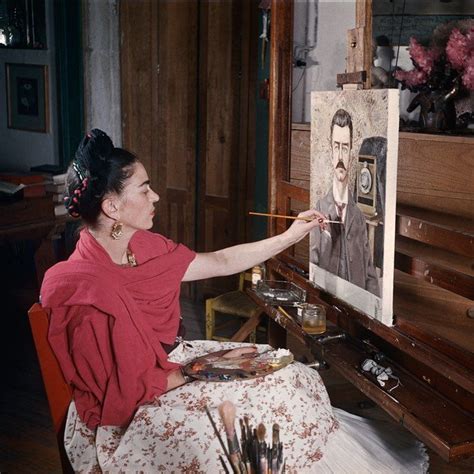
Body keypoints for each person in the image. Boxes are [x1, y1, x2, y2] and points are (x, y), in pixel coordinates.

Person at [41, 129, 427, 472]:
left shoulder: (140, 244)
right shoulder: (81, 287)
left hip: (173, 365)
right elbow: (119, 394)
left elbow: (219, 261)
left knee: (290, 375)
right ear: (112, 208)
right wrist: (203, 370)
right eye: (144, 189)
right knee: (247, 422)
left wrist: (291, 236)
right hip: (138, 406)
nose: (155, 195)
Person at [310, 109, 380, 297]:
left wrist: (375, 311)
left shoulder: (357, 215)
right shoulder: (319, 210)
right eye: (337, 146)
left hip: (356, 312)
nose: (341, 157)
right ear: (331, 150)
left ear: (351, 151)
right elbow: (314, 269)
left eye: (345, 147)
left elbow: (369, 273)